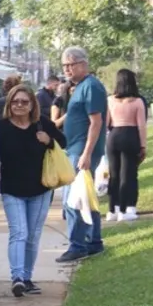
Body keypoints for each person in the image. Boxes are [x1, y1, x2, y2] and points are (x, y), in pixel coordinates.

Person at [0, 84, 66, 297]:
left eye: (24, 102)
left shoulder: (42, 124)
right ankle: (17, 277)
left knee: (33, 235)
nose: (19, 105)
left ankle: (27, 277)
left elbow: (63, 142)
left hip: (40, 188)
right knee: (19, 232)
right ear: (9, 104)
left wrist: (49, 140)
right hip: (12, 189)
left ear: (32, 105)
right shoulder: (1, 127)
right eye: (15, 101)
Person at [56, 47, 108, 263]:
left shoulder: (91, 86)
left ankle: (77, 244)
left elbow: (96, 122)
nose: (68, 68)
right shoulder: (77, 87)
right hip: (74, 148)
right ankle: (94, 241)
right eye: (65, 65)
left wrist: (86, 153)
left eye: (72, 64)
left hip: (82, 151)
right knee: (85, 195)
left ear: (84, 63)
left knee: (72, 200)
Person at [105, 69, 147, 223]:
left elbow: (106, 122)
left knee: (113, 174)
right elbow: (141, 126)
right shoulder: (137, 101)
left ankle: (112, 209)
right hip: (130, 136)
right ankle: (126, 208)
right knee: (128, 174)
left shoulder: (110, 100)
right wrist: (143, 146)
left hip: (114, 135)